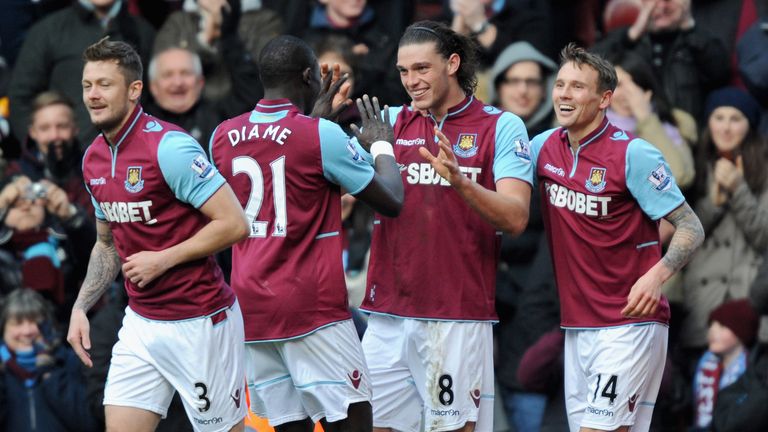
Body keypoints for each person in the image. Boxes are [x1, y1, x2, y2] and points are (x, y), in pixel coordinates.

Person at [209, 34, 403, 432]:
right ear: (307, 76)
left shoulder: (222, 135)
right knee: (354, 424)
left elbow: (284, 156)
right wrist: (382, 146)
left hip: (252, 310)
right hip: (311, 310)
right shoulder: (319, 136)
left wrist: (315, 122)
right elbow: (392, 200)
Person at [358, 20, 534, 432]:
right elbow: (339, 189)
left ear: (453, 63)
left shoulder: (500, 126)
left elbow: (516, 217)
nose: (411, 81)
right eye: (403, 71)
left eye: (422, 68)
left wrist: (460, 181)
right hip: (385, 316)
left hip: (455, 316)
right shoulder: (388, 124)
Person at [66, 37, 250, 432]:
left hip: (201, 321)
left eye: (104, 85)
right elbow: (106, 242)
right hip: (142, 322)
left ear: (134, 90)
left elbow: (235, 224)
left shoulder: (170, 147)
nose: (93, 95)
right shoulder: (93, 157)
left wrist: (163, 258)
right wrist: (81, 305)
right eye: (87, 85)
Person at [527, 43, 704, 432]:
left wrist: (656, 276)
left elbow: (691, 226)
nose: (564, 94)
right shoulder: (542, 148)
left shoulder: (635, 154)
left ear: (605, 98)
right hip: (576, 327)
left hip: (630, 323)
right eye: (560, 84)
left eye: (577, 86)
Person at [681, 87, 768, 352]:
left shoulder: (764, 171)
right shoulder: (692, 169)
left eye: (735, 119)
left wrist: (739, 190)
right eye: (719, 117)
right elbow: (678, 242)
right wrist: (712, 204)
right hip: (701, 303)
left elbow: (765, 238)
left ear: (749, 126)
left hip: (745, 302)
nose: (726, 128)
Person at [8, 0, 155, 148]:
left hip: (129, 158)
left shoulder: (144, 32)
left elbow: (153, 100)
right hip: (65, 160)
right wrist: (40, 153)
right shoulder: (48, 30)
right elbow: (21, 97)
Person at [592, 0, 729, 122]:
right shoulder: (627, 38)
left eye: (669, 2)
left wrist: (689, 27)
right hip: (633, 131)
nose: (662, 6)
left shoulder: (698, 39)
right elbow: (588, 68)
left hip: (685, 136)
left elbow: (720, 73)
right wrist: (634, 33)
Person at [1, 288, 98, 432]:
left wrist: (50, 374)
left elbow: (89, 423)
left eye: (34, 322)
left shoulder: (69, 361)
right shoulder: (3, 371)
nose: (27, 331)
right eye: (18, 323)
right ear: (3, 328)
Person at [691, 298, 759, 431]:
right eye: (711, 325)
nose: (712, 331)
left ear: (741, 333)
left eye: (721, 326)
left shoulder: (753, 371)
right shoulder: (705, 363)